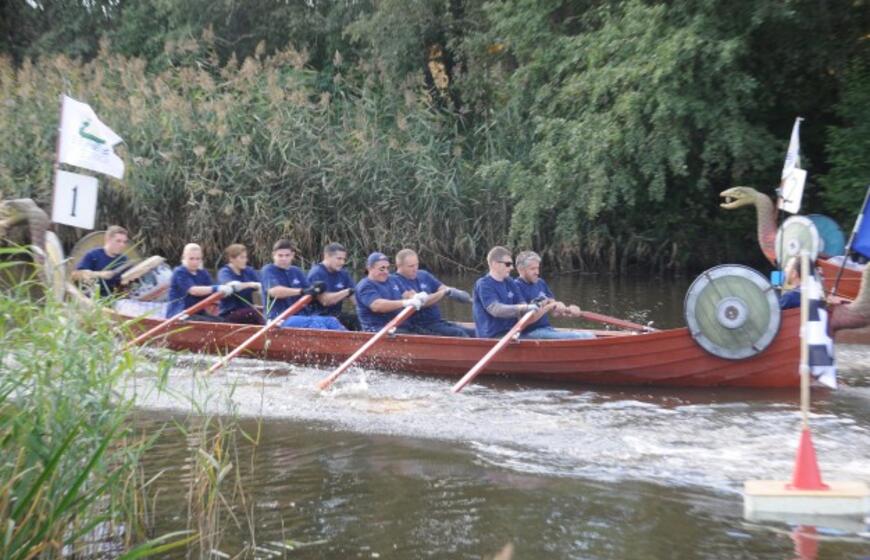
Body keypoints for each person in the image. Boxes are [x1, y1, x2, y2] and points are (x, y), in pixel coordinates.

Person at [472, 246, 556, 338]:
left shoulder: (510, 282)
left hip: (513, 333)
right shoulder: (484, 284)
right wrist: (524, 307)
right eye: (508, 264)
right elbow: (496, 310)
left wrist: (538, 303)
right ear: (494, 264)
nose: (512, 267)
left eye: (511, 264)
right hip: (493, 337)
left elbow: (522, 304)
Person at [260, 239, 344, 330]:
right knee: (315, 323)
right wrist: (301, 291)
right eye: (280, 256)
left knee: (331, 321)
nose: (284, 258)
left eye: (287, 255)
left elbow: (310, 291)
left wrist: (318, 289)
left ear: (292, 255)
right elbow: (274, 291)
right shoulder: (268, 270)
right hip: (279, 319)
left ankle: (350, 342)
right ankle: (331, 343)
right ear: (273, 256)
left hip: (301, 316)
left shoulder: (296, 271)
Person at [514, 250, 595, 339]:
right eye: (532, 269)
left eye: (537, 268)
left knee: (589, 335)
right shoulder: (515, 287)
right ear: (520, 270)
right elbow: (524, 321)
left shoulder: (540, 283)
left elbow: (555, 312)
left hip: (546, 329)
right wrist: (549, 306)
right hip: (528, 333)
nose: (537, 272)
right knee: (586, 336)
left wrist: (569, 311)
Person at [392, 248, 472, 337]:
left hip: (437, 322)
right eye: (411, 266)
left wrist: (456, 292)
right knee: (459, 334)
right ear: (399, 266)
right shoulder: (394, 282)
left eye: (416, 265)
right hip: (420, 326)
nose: (415, 269)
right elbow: (423, 302)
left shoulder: (423, 275)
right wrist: (443, 292)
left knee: (475, 332)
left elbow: (443, 288)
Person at [355, 252, 427, 333]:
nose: (386, 272)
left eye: (387, 268)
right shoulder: (365, 286)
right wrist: (404, 303)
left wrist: (416, 296)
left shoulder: (393, 279)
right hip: (378, 330)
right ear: (370, 268)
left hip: (400, 327)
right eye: (382, 268)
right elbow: (377, 306)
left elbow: (407, 294)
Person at [166, 243, 231, 321]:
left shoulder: (202, 273)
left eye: (198, 259)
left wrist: (227, 287)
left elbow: (212, 290)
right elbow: (193, 291)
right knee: (209, 323)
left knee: (222, 321)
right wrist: (217, 288)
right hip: (180, 314)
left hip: (197, 312)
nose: (195, 262)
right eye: (191, 259)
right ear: (184, 258)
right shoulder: (179, 272)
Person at [306, 242, 360, 330]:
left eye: (344, 259)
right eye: (339, 259)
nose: (342, 262)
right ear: (327, 256)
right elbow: (325, 301)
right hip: (318, 318)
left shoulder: (343, 274)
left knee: (359, 320)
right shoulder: (316, 273)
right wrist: (346, 292)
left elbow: (356, 300)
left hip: (336, 316)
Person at [72, 225, 131, 296]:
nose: (122, 245)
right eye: (118, 241)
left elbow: (125, 286)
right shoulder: (93, 255)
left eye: (124, 242)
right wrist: (99, 274)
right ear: (108, 239)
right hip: (93, 297)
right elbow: (75, 275)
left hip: (114, 298)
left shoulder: (124, 260)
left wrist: (127, 281)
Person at [217, 243, 264, 324]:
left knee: (262, 313)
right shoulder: (225, 272)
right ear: (231, 259)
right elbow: (232, 286)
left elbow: (262, 284)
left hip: (248, 311)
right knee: (254, 314)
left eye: (245, 257)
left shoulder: (248, 271)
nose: (245, 260)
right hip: (230, 313)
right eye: (242, 257)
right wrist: (250, 284)